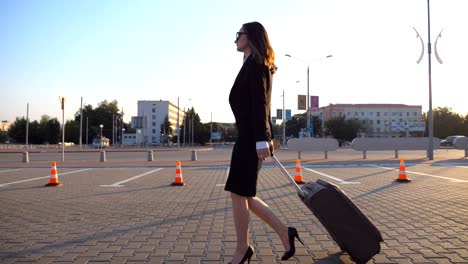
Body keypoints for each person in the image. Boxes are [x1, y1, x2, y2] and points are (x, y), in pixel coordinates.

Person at [225, 21, 303, 264]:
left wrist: (262, 138)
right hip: (248, 136)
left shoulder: (258, 64)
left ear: (252, 37)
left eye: (240, 34)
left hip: (251, 138)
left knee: (238, 192)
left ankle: (242, 249)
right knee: (243, 194)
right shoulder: (250, 63)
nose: (236, 38)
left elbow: (261, 103)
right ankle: (284, 233)